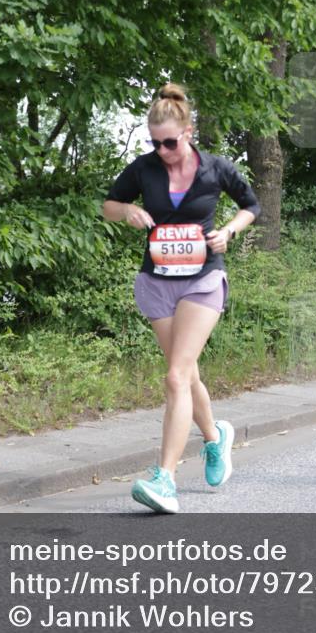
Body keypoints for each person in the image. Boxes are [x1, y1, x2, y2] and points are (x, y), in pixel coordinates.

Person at [101, 82, 261, 512]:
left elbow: (252, 205)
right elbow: (109, 205)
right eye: (155, 143)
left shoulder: (215, 169)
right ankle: (215, 438)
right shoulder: (144, 168)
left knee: (175, 376)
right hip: (156, 281)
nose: (163, 150)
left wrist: (229, 230)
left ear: (189, 131)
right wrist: (128, 211)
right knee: (185, 374)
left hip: (202, 280)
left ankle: (165, 479)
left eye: (170, 142)